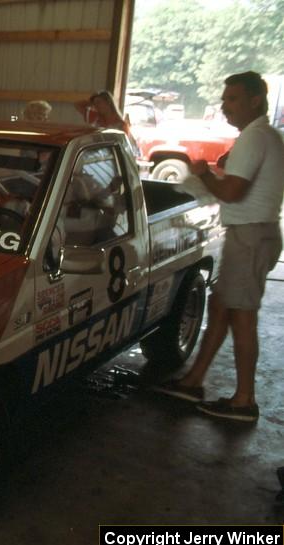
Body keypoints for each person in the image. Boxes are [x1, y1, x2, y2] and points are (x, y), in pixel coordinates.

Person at [154, 71, 284, 422]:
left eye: (232, 99)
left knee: (242, 318)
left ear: (254, 100)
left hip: (251, 236)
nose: (225, 106)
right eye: (225, 99)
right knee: (222, 308)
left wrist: (203, 172)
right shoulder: (262, 137)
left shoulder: (255, 138)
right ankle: (194, 380)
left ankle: (244, 400)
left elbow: (232, 193)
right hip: (253, 233)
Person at [75, 90, 139, 155]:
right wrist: (90, 103)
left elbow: (126, 147)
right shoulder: (95, 118)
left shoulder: (121, 125)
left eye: (99, 102)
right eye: (94, 104)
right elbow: (78, 105)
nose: (96, 106)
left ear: (108, 102)